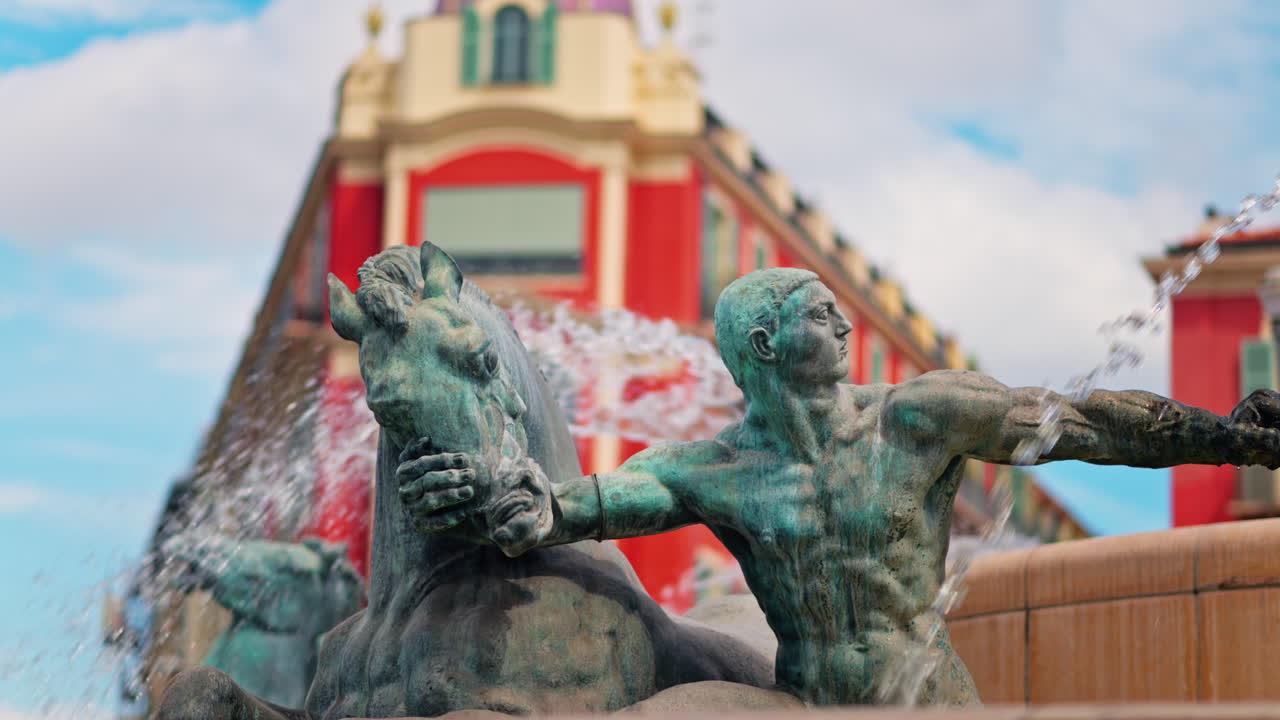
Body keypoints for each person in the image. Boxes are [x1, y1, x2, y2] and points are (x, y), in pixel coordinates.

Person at [396, 267, 1280, 705]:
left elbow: (1085, 425)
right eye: (821, 312)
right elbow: (577, 507)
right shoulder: (714, 471)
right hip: (805, 706)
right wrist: (493, 499)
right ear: (767, 345)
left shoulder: (919, 416)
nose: (844, 321)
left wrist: (1229, 439)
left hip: (927, 701)